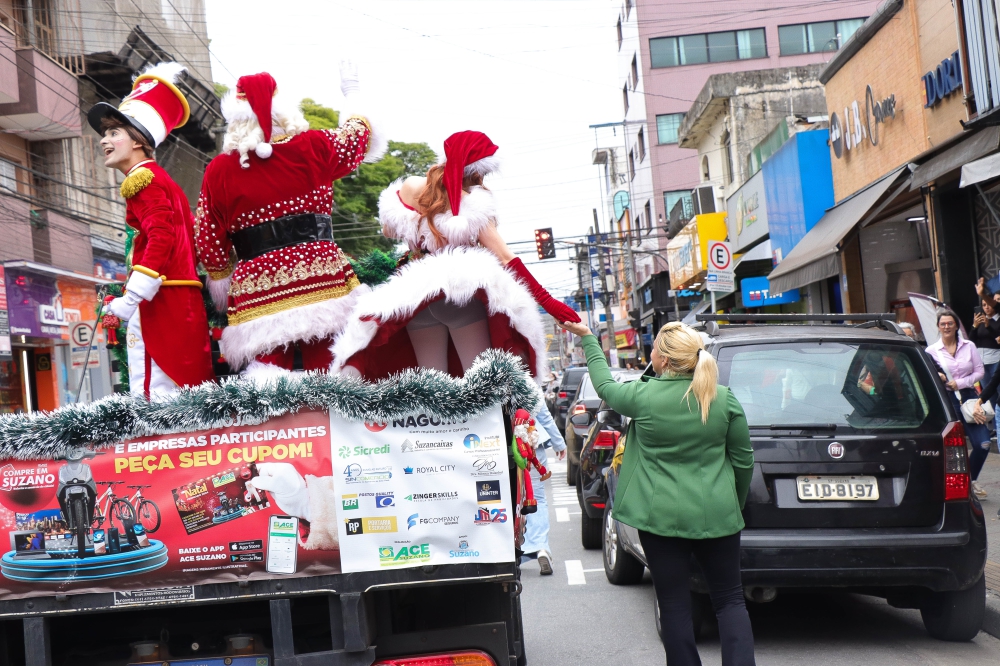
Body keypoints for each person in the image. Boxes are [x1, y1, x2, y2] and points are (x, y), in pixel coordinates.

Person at [560, 319, 756, 666]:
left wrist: (589, 337)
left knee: (674, 604)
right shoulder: (722, 398)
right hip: (718, 515)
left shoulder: (643, 397)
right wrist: (733, 505)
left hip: (660, 520)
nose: (650, 354)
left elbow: (604, 384)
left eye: (653, 350)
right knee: (729, 601)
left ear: (664, 360)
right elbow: (743, 461)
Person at [330, 130, 580, 380]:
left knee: (434, 388)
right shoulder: (473, 205)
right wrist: (551, 305)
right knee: (478, 384)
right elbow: (506, 259)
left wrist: (422, 227)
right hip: (460, 298)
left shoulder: (411, 187)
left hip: (415, 297)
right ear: (476, 171)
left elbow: (389, 230)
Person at [195, 64, 385, 376]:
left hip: (258, 286)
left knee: (267, 378)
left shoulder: (218, 170)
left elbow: (208, 240)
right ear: (283, 109)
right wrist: (351, 91)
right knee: (331, 365)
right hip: (321, 274)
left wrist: (221, 276)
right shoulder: (314, 145)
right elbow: (358, 135)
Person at [88, 62, 215, 398]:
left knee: (155, 392)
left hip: (161, 298)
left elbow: (162, 236)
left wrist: (131, 297)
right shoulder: (162, 180)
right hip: (179, 296)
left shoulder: (144, 180)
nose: (104, 140)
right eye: (105, 134)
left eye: (114, 133)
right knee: (184, 390)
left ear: (139, 141)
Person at [926, 309, 990, 500]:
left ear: (956, 326)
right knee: (953, 447)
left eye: (950, 323)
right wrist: (938, 376)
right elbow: (928, 379)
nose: (946, 327)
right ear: (938, 327)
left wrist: (960, 383)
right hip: (947, 400)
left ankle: (970, 479)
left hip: (970, 398)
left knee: (984, 443)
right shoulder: (931, 351)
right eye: (943, 324)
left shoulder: (969, 346)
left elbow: (980, 372)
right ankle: (956, 485)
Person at [521, 400, 567, 575]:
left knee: (505, 500)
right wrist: (559, 443)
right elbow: (544, 415)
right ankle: (540, 547)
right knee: (537, 498)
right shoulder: (528, 385)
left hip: (497, 447)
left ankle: (512, 553)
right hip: (531, 443)